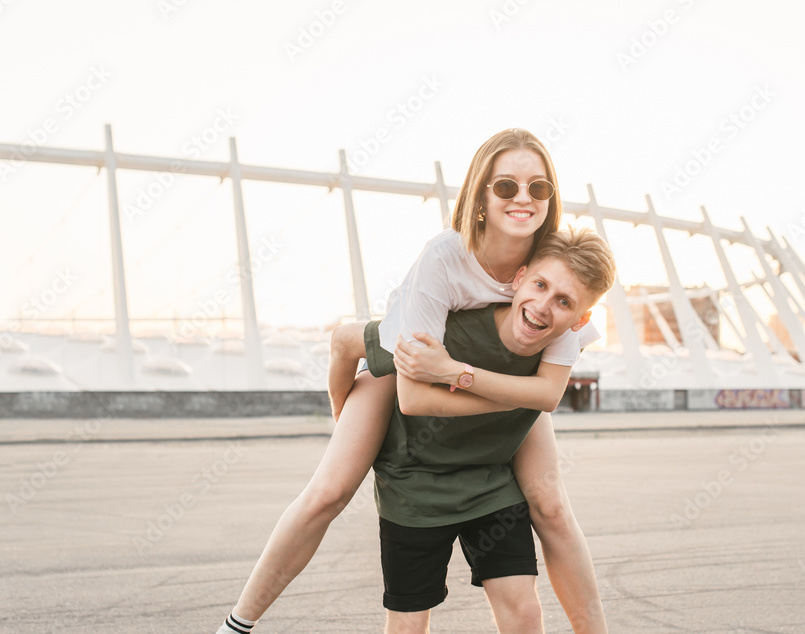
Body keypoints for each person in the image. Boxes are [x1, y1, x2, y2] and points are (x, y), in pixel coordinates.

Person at [217, 129, 610, 634]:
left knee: (552, 505)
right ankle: (237, 623)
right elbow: (415, 390)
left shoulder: (553, 272)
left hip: (479, 367)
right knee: (329, 492)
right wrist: (356, 402)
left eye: (538, 189)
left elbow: (547, 394)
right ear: (481, 198)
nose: (523, 199)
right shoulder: (446, 257)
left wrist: (465, 377)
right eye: (506, 187)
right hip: (404, 359)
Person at [374, 227, 616, 633]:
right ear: (519, 278)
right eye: (540, 285)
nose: (543, 307)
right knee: (409, 623)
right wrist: (341, 412)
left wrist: (455, 373)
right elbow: (353, 341)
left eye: (563, 301)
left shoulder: (561, 340)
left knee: (524, 613)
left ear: (581, 319)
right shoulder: (451, 324)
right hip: (414, 484)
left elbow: (548, 396)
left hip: (490, 484)